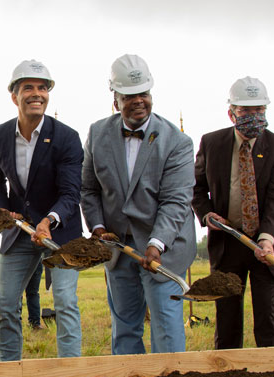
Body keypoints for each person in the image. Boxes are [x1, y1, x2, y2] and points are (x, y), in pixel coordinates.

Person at [81, 54, 196, 355]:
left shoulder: (177, 142)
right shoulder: (97, 134)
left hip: (164, 248)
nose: (138, 101)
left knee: (166, 327)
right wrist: (98, 226)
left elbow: (175, 201)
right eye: (129, 96)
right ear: (115, 99)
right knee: (125, 327)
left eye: (143, 94)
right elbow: (88, 189)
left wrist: (157, 243)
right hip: (119, 248)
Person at [0, 60, 84, 361]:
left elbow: (70, 193)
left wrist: (49, 220)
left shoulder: (67, 137)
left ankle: (70, 375)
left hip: (59, 231)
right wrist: (5, 211)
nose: (36, 94)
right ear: (14, 96)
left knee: (65, 301)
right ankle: (9, 371)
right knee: (5, 305)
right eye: (28, 87)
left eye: (43, 88)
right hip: (19, 232)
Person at [192, 76, 274, 349]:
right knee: (226, 323)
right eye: (246, 111)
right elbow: (196, 187)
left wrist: (267, 238)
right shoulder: (212, 143)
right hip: (229, 244)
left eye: (259, 110)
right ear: (231, 113)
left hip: (266, 247)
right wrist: (206, 214)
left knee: (269, 323)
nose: (254, 116)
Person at [23, 262, 44, 329]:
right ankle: (35, 323)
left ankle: (15, 323)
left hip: (19, 259)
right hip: (36, 259)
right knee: (33, 293)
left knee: (17, 293)